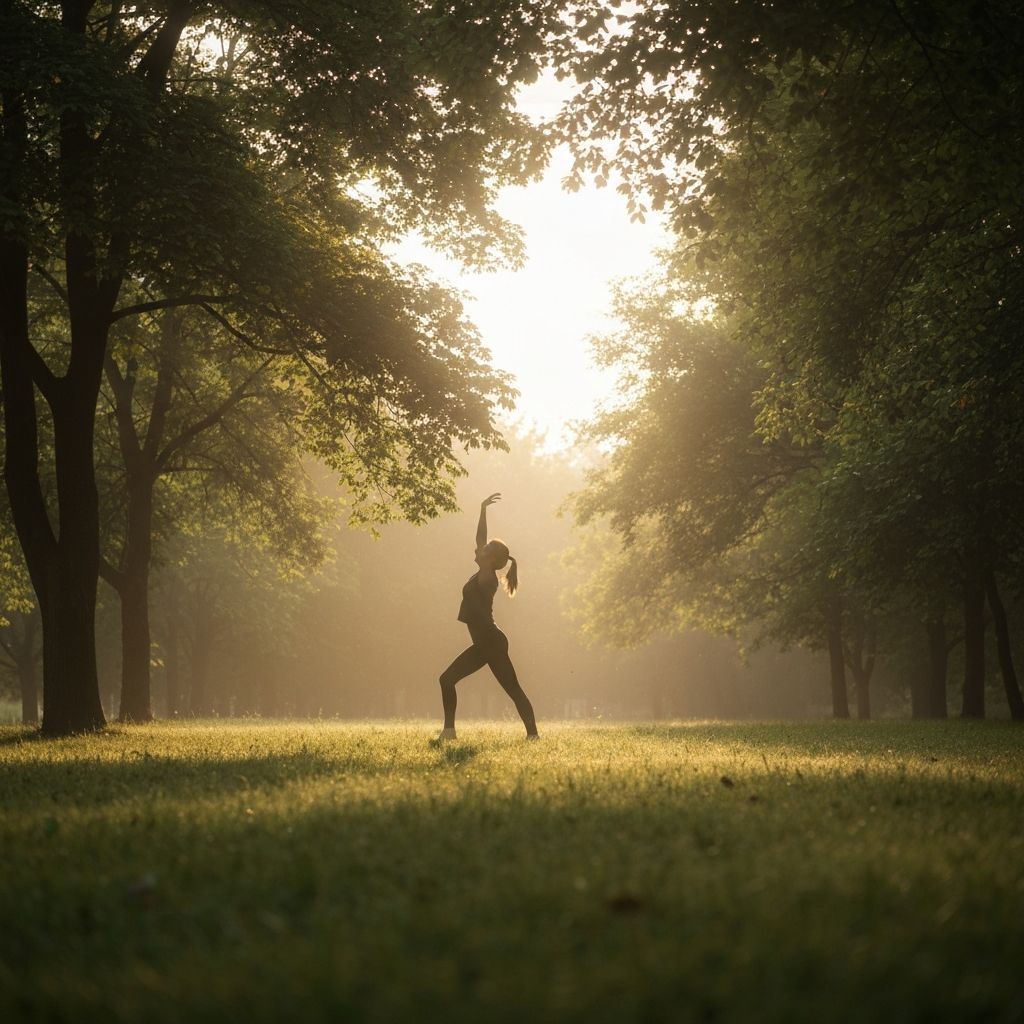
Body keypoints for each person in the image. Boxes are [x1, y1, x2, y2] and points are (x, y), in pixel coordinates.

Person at [437, 493, 539, 740]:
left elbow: (480, 538)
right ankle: (450, 732)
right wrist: (482, 508)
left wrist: (483, 511)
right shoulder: (482, 572)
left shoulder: (486, 575)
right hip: (487, 642)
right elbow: (481, 541)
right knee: (451, 680)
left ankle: (533, 736)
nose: (478, 550)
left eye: (483, 550)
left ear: (490, 558)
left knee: (451, 680)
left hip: (490, 643)